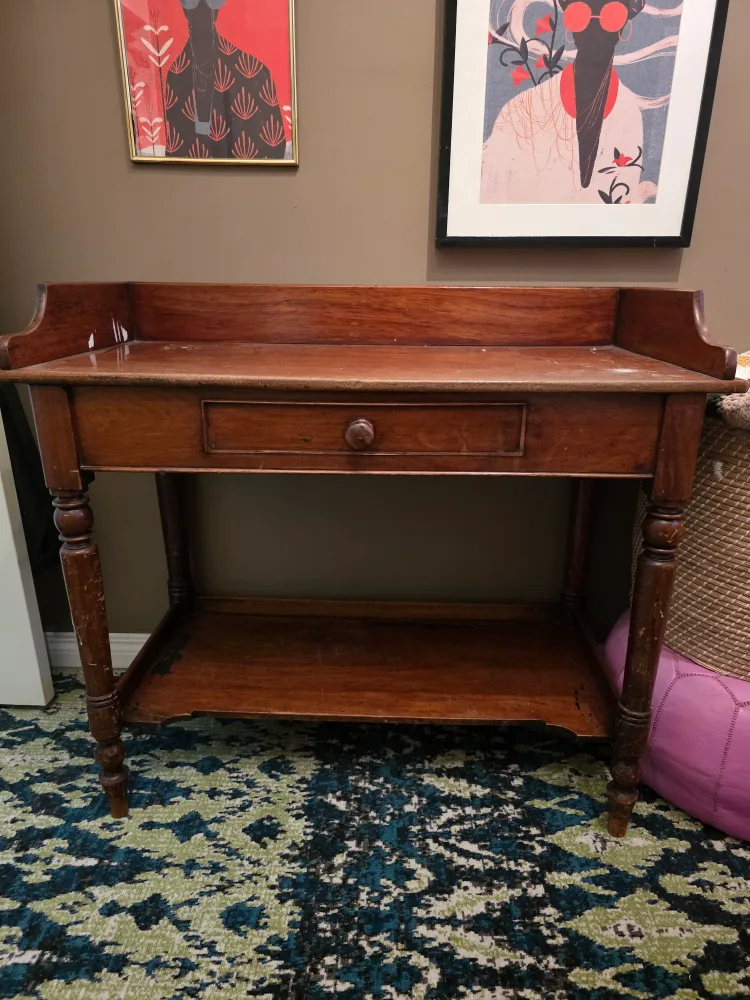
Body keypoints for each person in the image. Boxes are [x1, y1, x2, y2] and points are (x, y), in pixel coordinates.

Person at [481, 0, 657, 205]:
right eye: (580, 14)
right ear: (568, 24)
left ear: (624, 26)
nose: (595, 26)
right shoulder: (519, 112)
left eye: (611, 15)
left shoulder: (629, 113)